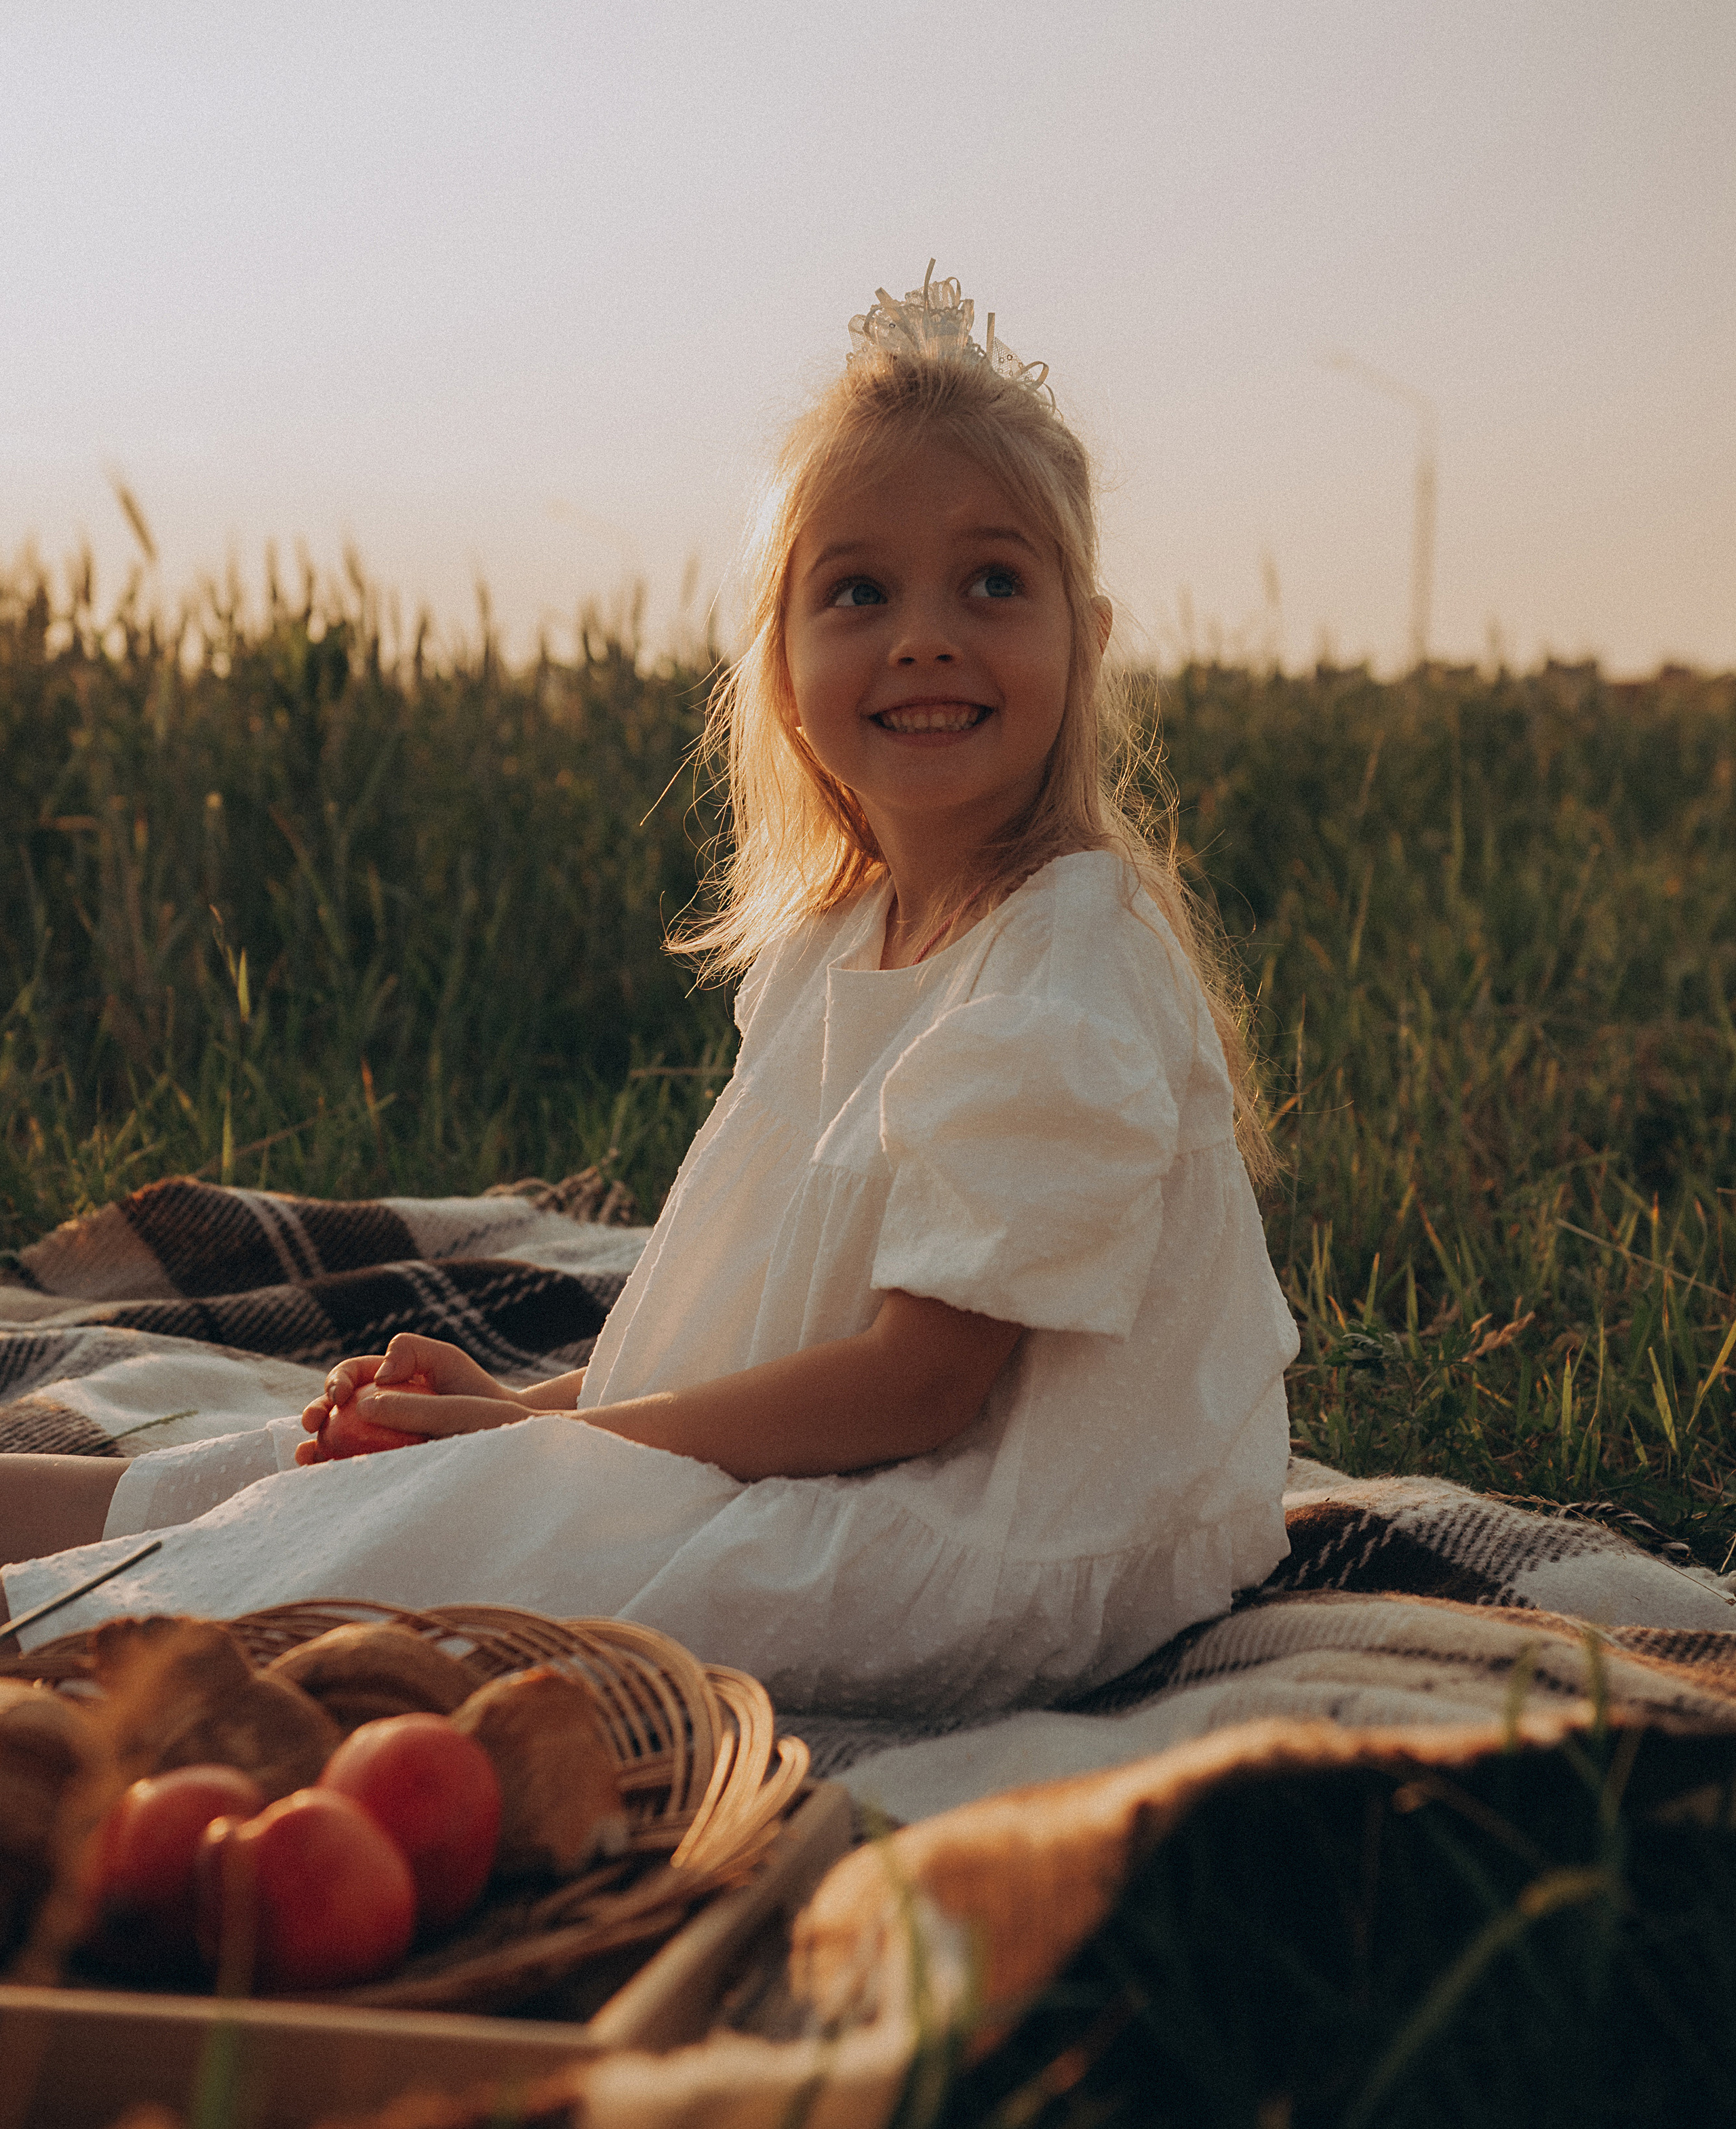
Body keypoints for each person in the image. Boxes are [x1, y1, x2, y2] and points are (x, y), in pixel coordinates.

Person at [1, 270, 1297, 1713]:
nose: (924, 633)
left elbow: (913, 1390)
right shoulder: (840, 940)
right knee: (340, 1468)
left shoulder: (1063, 974)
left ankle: (69, 1639)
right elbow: (761, 1344)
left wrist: (545, 1449)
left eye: (992, 581)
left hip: (998, 1539)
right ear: (785, 667)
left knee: (441, 1529)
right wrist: (512, 1415)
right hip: (851, 1463)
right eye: (858, 590)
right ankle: (73, 1528)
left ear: (1086, 638)